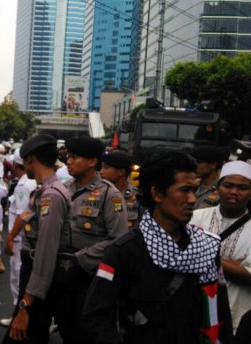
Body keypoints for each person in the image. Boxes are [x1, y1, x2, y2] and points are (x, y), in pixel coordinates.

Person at [83, 151, 232, 344]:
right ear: (156, 194)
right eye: (184, 190)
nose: (192, 199)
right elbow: (96, 314)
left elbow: (220, 311)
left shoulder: (207, 247)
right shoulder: (124, 251)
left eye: (194, 190)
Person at [59, 137, 128, 343]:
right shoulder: (64, 188)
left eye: (75, 157)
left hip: (91, 273)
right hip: (63, 269)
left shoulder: (110, 195)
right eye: (68, 157)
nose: (68, 161)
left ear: (92, 162)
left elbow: (118, 238)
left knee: (86, 328)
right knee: (64, 322)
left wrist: (81, 260)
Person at [3, 135, 71, 343]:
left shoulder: (52, 196)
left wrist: (26, 304)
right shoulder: (42, 190)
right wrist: (11, 237)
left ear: (31, 159)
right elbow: (25, 215)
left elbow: (45, 254)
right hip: (32, 275)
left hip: (38, 280)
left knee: (22, 334)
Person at [190, 160, 251, 333]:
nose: (234, 192)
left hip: (235, 316)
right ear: (217, 188)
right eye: (228, 185)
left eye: (243, 187)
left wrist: (203, 254)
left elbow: (249, 275)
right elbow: (179, 256)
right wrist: (236, 265)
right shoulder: (195, 217)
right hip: (193, 311)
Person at [0, 148, 37, 328]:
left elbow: (23, 215)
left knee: (18, 279)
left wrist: (10, 238)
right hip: (24, 240)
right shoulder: (28, 183)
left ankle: (19, 315)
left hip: (21, 240)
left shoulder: (24, 185)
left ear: (15, 165)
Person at [100, 150, 142, 229]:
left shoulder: (138, 197)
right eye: (101, 167)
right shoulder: (98, 194)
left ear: (121, 172)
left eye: (106, 168)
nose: (101, 172)